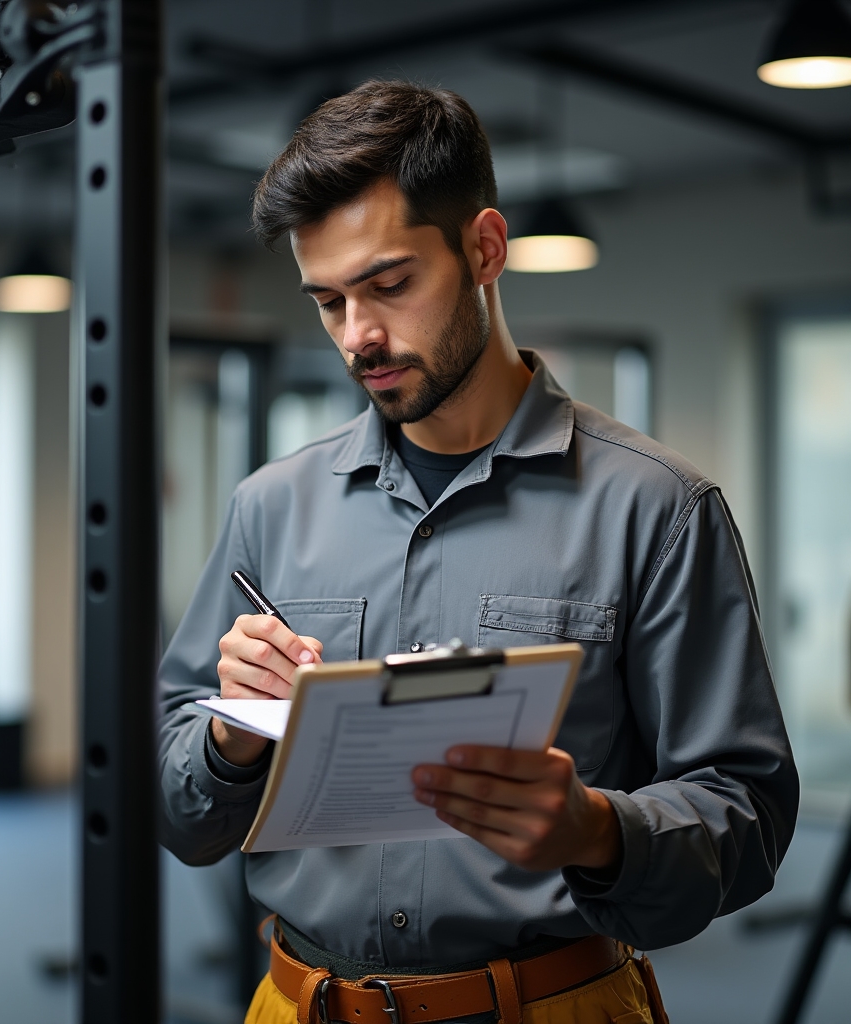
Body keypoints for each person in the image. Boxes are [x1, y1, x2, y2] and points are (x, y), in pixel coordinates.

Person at [157, 81, 798, 1024]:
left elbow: (746, 818)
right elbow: (178, 813)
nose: (358, 336)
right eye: (328, 301)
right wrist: (225, 740)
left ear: (485, 249)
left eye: (389, 284)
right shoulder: (270, 506)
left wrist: (597, 830)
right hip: (298, 1005)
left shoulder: (658, 507)